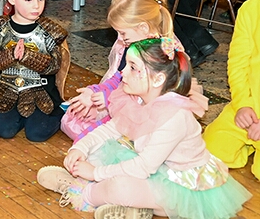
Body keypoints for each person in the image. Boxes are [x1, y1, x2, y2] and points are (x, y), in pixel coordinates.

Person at [37, 39, 250, 219]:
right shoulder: (137, 98)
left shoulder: (175, 117)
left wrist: (95, 173)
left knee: (121, 187)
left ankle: (82, 194)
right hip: (154, 167)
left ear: (158, 79)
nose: (122, 72)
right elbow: (110, 129)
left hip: (181, 185)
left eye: (132, 67)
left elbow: (144, 167)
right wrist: (80, 148)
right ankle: (130, 207)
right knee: (99, 152)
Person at [61, 0, 205, 141]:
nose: (121, 38)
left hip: (149, 116)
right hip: (129, 105)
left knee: (93, 137)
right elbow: (119, 77)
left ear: (142, 27)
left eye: (123, 33)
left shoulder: (160, 53)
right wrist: (96, 91)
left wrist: (108, 98)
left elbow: (146, 93)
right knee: (78, 125)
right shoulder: (137, 45)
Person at [0, 0, 66, 141]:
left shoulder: (48, 31)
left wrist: (29, 56)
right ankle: (23, 117)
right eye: (28, 0)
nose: (36, 6)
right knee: (4, 131)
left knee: (36, 134)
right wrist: (10, 55)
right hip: (8, 89)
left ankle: (59, 114)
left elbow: (54, 65)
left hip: (40, 91)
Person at [205, 0, 260, 181]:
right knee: (208, 152)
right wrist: (243, 104)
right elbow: (237, 64)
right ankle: (249, 143)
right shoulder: (251, 8)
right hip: (249, 106)